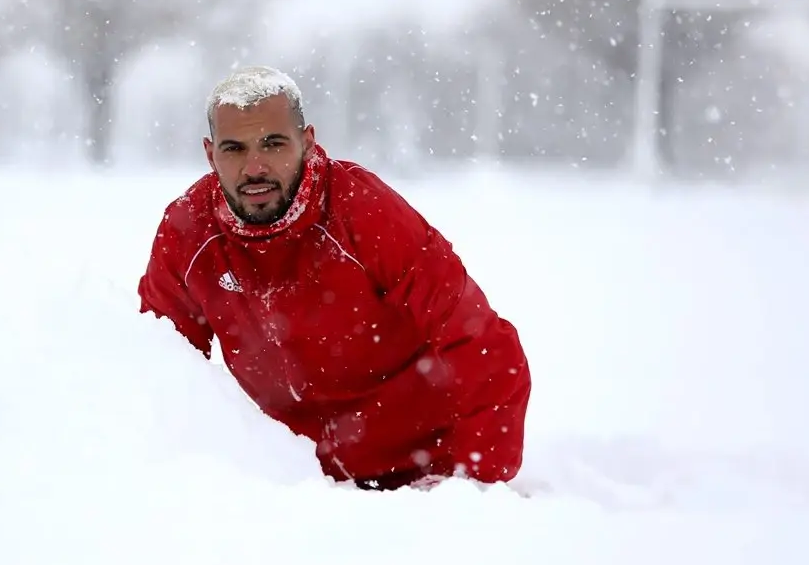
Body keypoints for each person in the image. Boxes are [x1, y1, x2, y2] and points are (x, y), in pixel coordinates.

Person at [137, 65, 532, 491]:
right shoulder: (188, 230)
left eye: (273, 143)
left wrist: (476, 486)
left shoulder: (364, 210)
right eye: (234, 148)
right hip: (294, 486)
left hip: (423, 479)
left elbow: (481, 345)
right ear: (210, 153)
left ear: (307, 142)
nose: (255, 167)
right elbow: (155, 368)